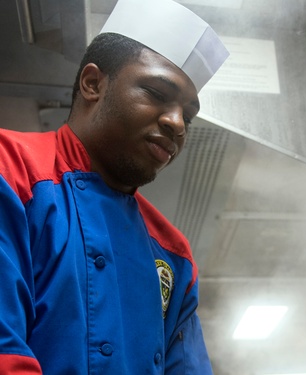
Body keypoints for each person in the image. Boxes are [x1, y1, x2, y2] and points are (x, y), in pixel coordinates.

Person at [0, 0, 228, 373]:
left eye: (187, 114)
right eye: (157, 93)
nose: (177, 123)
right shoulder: (11, 169)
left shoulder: (173, 254)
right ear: (93, 84)